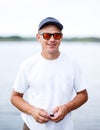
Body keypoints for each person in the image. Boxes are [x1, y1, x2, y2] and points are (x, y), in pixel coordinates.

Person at [11, 17, 88, 130]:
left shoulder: (73, 64)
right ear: (38, 37)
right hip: (32, 126)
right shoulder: (28, 64)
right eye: (47, 35)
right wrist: (33, 111)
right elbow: (15, 97)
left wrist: (66, 107)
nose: (52, 39)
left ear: (61, 38)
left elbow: (83, 95)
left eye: (56, 35)